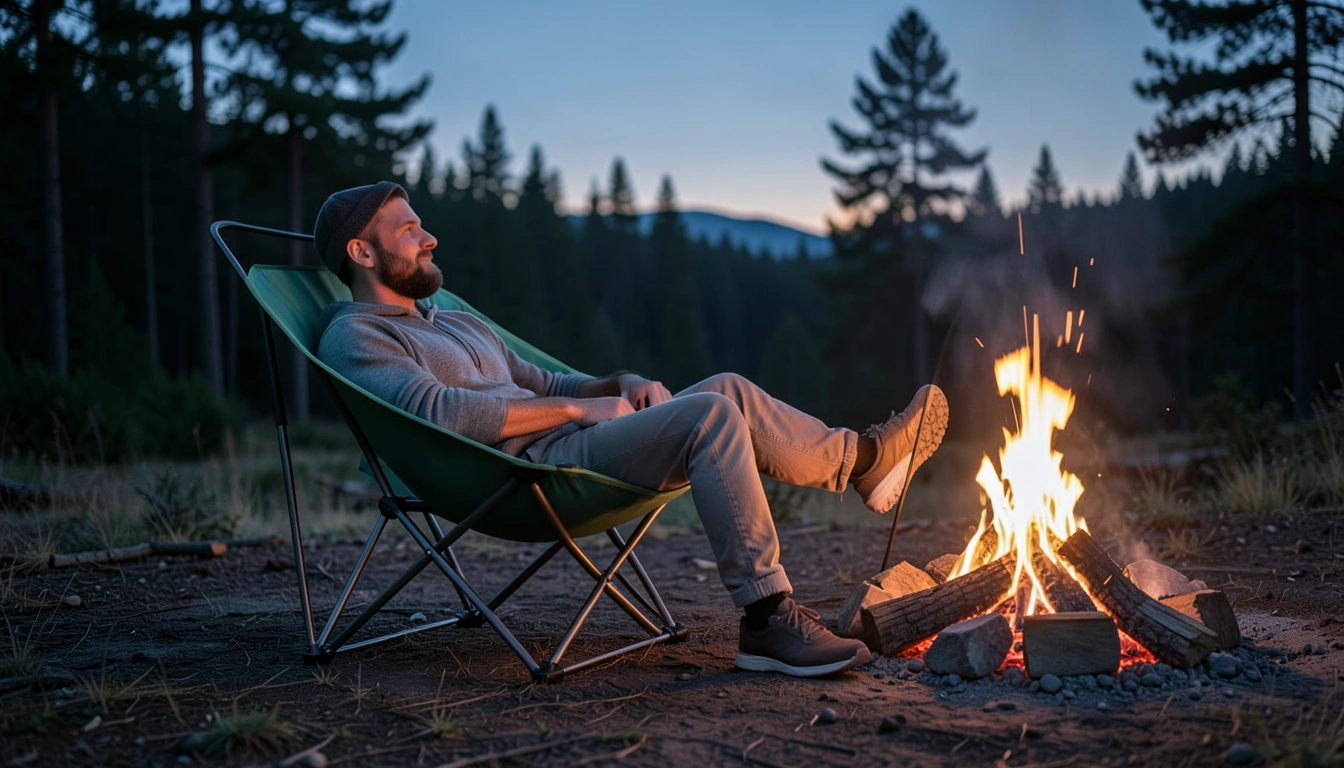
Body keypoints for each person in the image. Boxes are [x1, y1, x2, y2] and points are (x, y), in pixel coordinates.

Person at [313, 181, 949, 677]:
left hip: (565, 447)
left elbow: (552, 383)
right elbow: (438, 414)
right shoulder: (356, 334)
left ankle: (866, 463)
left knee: (726, 389)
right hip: (521, 475)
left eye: (422, 225)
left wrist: (617, 384)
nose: (430, 238)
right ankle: (767, 619)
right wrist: (575, 414)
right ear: (361, 252)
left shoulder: (453, 320)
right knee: (710, 417)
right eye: (409, 229)